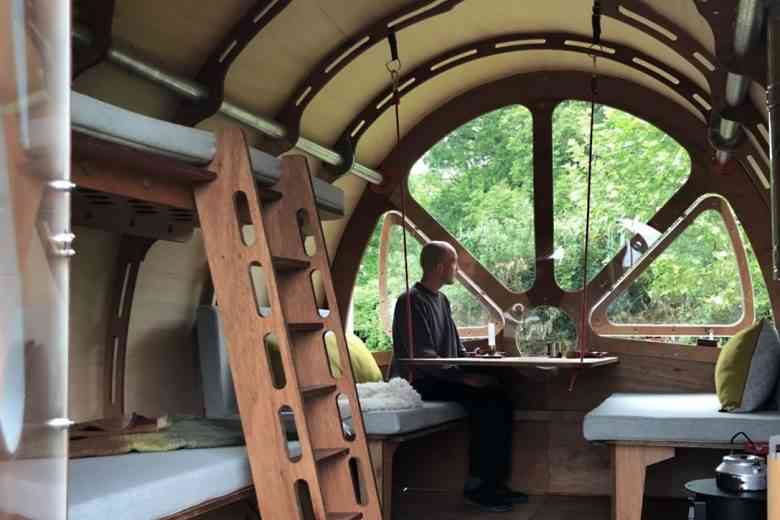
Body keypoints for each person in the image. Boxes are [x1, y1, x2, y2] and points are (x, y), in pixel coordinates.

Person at [390, 241, 526, 513]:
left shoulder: (442, 300)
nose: (457, 270)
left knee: (501, 396)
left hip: (441, 377)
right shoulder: (410, 301)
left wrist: (471, 355)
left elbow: (452, 346)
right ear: (441, 267)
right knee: (488, 401)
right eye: (454, 264)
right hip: (419, 383)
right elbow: (422, 357)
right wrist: (464, 380)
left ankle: (495, 485)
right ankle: (478, 489)